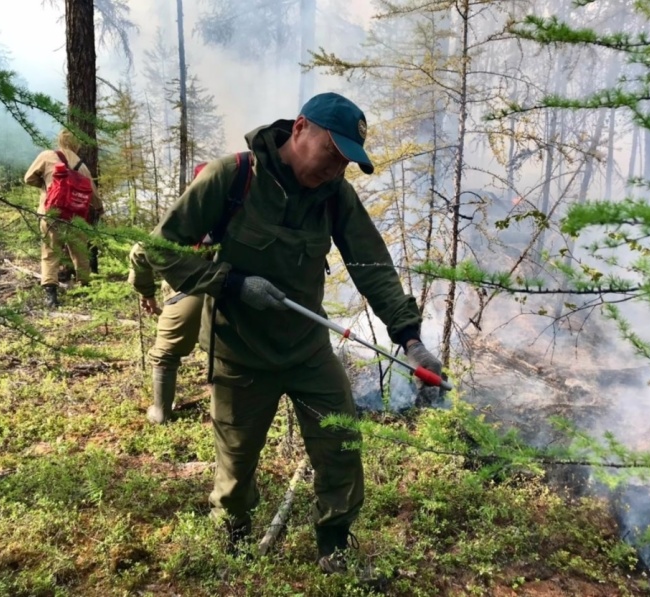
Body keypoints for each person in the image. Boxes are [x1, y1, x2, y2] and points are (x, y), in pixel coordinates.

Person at [146, 92, 443, 572]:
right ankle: (236, 537)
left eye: (347, 161)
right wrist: (233, 283)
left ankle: (334, 546)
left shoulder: (335, 196)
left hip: (307, 354)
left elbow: (372, 266)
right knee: (236, 464)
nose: (336, 168)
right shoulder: (234, 177)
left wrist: (411, 339)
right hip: (239, 352)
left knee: (341, 444)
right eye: (332, 152)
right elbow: (161, 248)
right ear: (301, 128)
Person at [24, 128, 103, 308]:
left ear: (59, 140)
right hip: (76, 216)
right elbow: (93, 194)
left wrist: (46, 186)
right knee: (80, 252)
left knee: (50, 252)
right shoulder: (82, 166)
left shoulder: (46, 156)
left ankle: (51, 296)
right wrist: (99, 208)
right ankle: (85, 290)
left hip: (51, 213)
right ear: (77, 144)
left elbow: (28, 178)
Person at [128, 241, 205, 424]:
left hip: (188, 291)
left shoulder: (184, 220)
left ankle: (161, 413)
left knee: (165, 355)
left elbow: (141, 250)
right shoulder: (247, 215)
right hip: (238, 292)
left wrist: (146, 293)